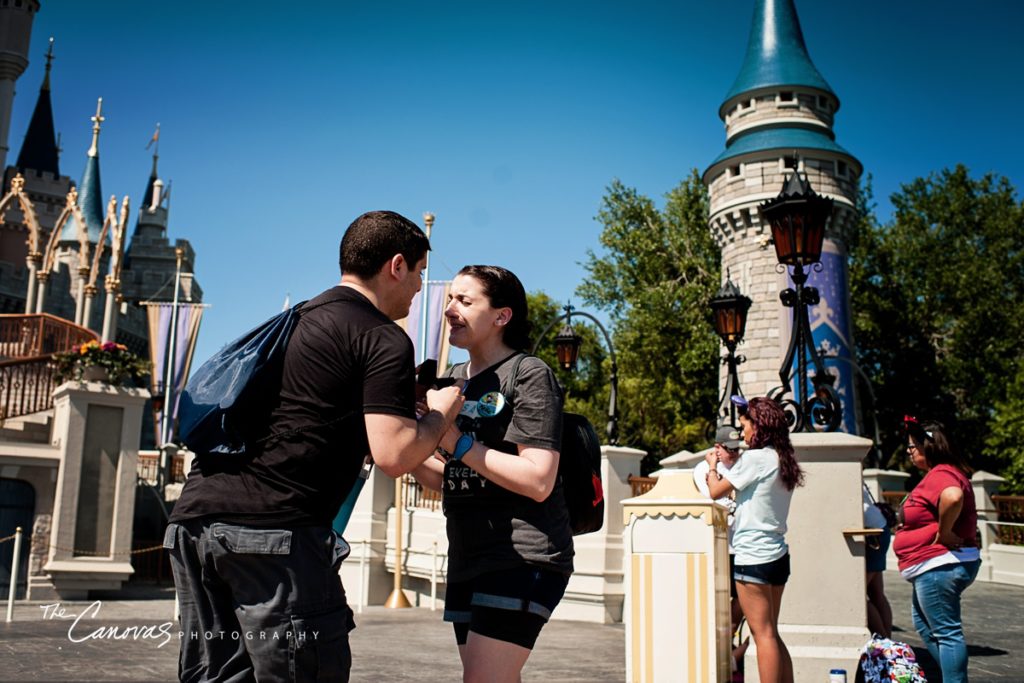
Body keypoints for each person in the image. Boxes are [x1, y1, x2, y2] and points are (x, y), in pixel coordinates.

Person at [165, 210, 465, 683]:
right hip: (275, 535)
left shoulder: (296, 318)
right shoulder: (381, 336)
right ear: (397, 265)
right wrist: (441, 411)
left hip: (195, 525)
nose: (418, 289)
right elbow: (394, 455)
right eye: (421, 275)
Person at [413, 265, 573, 683]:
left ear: (502, 316)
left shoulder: (529, 374)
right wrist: (407, 448)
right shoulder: (449, 384)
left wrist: (454, 441)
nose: (450, 309)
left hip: (523, 554)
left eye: (465, 301)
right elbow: (444, 479)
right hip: (467, 555)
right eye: (450, 299)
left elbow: (539, 480)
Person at [704, 396, 804, 683]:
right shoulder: (781, 459)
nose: (743, 432)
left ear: (759, 426)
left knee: (762, 635)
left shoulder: (756, 458)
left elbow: (715, 492)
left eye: (745, 425)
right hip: (777, 554)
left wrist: (713, 465)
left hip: (753, 557)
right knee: (771, 631)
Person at [893, 417, 979, 683]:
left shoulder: (942, 473)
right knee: (926, 626)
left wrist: (945, 533)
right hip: (934, 566)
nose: (909, 451)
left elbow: (953, 497)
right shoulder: (941, 473)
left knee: (946, 632)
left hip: (940, 565)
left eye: (913, 445)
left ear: (929, 446)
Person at [862, 482, 893, 638]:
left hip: (871, 535)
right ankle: (888, 641)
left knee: (858, 595)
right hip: (878, 529)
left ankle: (885, 643)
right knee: (876, 593)